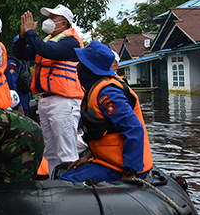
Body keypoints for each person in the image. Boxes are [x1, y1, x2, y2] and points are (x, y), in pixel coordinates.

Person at [60, 41, 152, 183]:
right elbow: (105, 131)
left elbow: (134, 129)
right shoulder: (96, 88)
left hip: (121, 167)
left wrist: (129, 173)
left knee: (64, 184)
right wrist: (88, 157)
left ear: (90, 68)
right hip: (107, 161)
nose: (78, 67)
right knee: (64, 175)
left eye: (82, 63)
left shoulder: (109, 93)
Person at [14, 4, 84, 174]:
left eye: (53, 17)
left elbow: (48, 52)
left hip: (64, 101)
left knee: (66, 151)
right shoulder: (46, 41)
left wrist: (31, 32)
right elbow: (21, 54)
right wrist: (23, 37)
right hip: (45, 100)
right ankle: (55, 182)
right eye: (49, 17)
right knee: (50, 151)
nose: (49, 20)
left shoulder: (71, 41)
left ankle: (71, 185)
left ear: (64, 23)